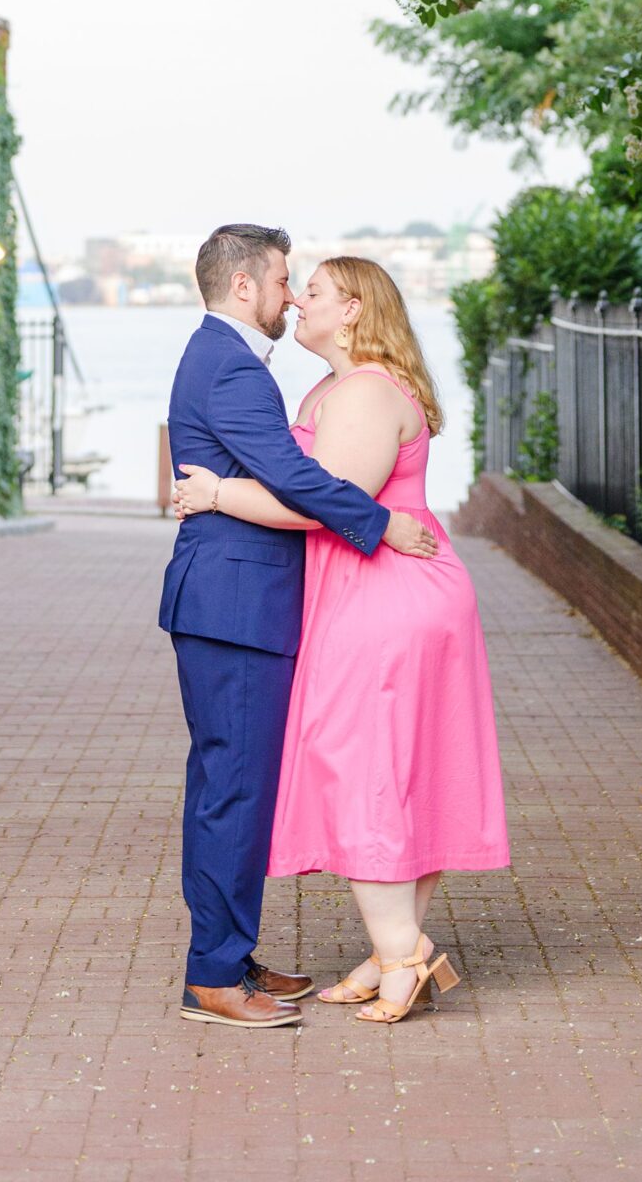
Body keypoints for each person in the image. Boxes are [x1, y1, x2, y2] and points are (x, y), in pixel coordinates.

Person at [173, 255, 509, 1025]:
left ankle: (403, 957)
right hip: (363, 589)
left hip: (385, 593)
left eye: (313, 291)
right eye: (291, 285)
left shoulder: (359, 391)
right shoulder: (330, 387)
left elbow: (325, 500)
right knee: (388, 769)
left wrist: (217, 492)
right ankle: (395, 947)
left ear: (354, 310)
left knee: (369, 771)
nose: (297, 300)